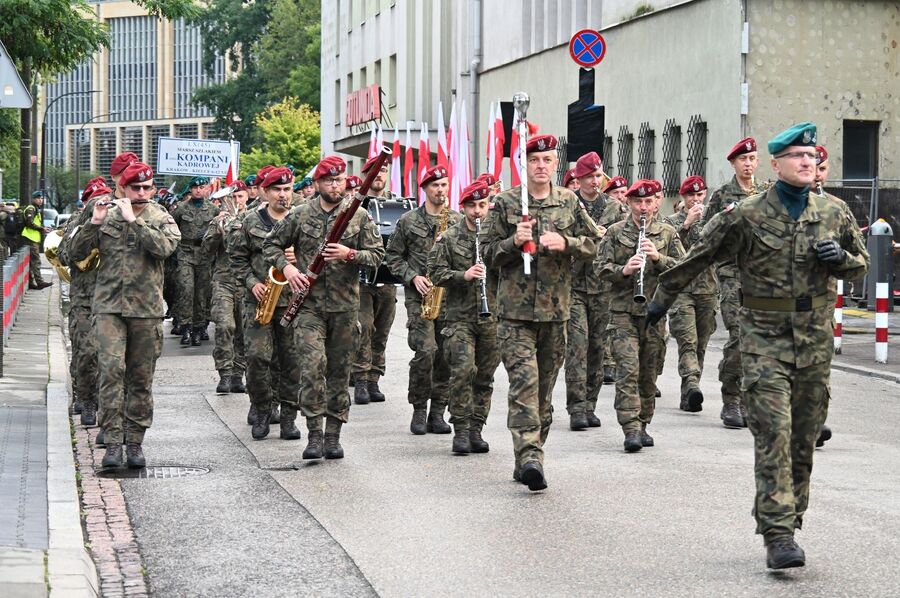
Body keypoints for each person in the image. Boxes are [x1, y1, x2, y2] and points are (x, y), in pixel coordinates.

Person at [646, 122, 868, 569]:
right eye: (797, 156)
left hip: (814, 338)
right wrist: (657, 304)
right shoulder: (745, 214)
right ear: (777, 163)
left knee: (804, 436)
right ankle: (778, 533)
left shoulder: (834, 212)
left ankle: (793, 516)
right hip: (764, 337)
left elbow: (859, 265)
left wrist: (842, 261)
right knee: (773, 432)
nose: (807, 162)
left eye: (812, 157)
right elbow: (699, 255)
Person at [484, 133, 600, 491]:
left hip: (556, 311)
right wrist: (511, 243)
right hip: (515, 314)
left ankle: (529, 454)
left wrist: (568, 244)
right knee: (524, 385)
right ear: (525, 163)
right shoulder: (505, 204)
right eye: (534, 160)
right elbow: (487, 253)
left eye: (547, 160)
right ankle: (531, 457)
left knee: (544, 393)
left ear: (555, 164)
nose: (540, 166)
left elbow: (595, 244)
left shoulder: (568, 202)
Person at [264, 156, 384, 460]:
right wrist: (288, 271)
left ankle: (333, 436)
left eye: (340, 180)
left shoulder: (358, 216)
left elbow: (378, 256)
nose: (335, 185)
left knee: (339, 371)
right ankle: (314, 434)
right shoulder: (300, 215)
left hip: (345, 308)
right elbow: (271, 245)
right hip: (309, 307)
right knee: (312, 367)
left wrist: (349, 253)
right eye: (329, 180)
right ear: (317, 184)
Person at [69, 162, 181, 469]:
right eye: (135, 188)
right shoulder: (105, 212)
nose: (141, 193)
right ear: (123, 188)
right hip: (107, 307)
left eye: (146, 188)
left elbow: (164, 249)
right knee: (110, 371)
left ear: (153, 189)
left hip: (146, 310)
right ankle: (113, 443)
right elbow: (72, 254)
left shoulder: (162, 217)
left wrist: (135, 222)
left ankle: (135, 442)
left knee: (140, 377)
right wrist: (93, 223)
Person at [598, 179, 683, 452]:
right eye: (637, 202)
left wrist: (658, 259)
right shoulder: (614, 232)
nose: (643, 207)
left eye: (648, 202)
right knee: (627, 370)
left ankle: (644, 422)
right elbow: (600, 268)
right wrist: (623, 270)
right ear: (628, 203)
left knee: (648, 373)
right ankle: (630, 427)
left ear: (657, 202)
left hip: (654, 312)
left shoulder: (667, 233)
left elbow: (683, 268)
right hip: (622, 312)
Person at [384, 165, 461, 435]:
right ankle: (419, 407)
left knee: (446, 355)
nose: (440, 190)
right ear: (425, 189)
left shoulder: (457, 220)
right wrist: (413, 276)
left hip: (450, 297)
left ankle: (438, 411)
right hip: (420, 297)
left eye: (444, 185)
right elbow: (392, 257)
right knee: (426, 351)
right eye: (435, 186)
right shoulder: (408, 221)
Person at [427, 181, 501, 454]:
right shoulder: (449, 238)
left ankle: (476, 428)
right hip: (458, 318)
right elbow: (435, 272)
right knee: (462, 372)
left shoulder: (496, 237)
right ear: (464, 207)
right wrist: (463, 276)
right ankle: (459, 429)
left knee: (484, 376)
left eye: (482, 206)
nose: (478, 211)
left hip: (491, 316)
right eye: (472, 206)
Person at [229, 167, 302, 440]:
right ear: (265, 192)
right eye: (277, 190)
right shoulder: (250, 221)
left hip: (293, 300)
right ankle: (261, 408)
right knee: (258, 358)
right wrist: (252, 283)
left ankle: (288, 417)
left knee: (291, 361)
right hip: (259, 299)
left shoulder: (302, 220)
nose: (282, 195)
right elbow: (236, 259)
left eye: (287, 189)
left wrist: (299, 262)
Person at [703, 137, 761, 429]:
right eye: (743, 160)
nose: (748, 165)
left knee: (758, 341)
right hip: (730, 274)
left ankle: (751, 400)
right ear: (733, 163)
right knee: (739, 336)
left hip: (762, 277)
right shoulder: (722, 195)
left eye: (752, 159)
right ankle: (731, 400)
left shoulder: (768, 193)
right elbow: (706, 233)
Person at [57, 180, 110, 428]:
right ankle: (86, 399)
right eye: (96, 198)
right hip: (84, 299)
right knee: (85, 351)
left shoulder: (117, 221)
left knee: (107, 357)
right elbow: (65, 255)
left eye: (105, 196)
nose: (102, 202)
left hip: (111, 298)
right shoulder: (78, 224)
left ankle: (102, 405)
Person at [663, 176, 717, 412]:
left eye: (699, 195)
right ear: (682, 197)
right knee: (687, 340)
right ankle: (693, 383)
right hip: (681, 291)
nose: (696, 200)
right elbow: (663, 247)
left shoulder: (713, 221)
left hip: (707, 289)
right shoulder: (670, 222)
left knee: (701, 343)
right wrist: (686, 223)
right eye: (690, 196)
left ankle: (689, 391)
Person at [565, 152, 609, 430]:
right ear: (579, 179)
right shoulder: (569, 206)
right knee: (578, 348)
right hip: (573, 287)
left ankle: (591, 403)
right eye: (590, 177)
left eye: (598, 176)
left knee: (598, 349)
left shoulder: (615, 207)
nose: (595, 181)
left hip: (603, 287)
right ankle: (577, 408)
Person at [352, 155, 399, 404]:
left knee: (382, 331)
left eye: (383, 170)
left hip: (387, 278)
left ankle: (373, 380)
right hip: (360, 279)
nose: (379, 175)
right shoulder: (355, 205)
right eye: (374, 171)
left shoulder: (396, 204)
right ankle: (360, 379)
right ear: (365, 175)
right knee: (364, 327)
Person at [202, 181, 249, 394]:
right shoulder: (218, 220)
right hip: (224, 281)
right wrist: (217, 231)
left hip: (247, 282)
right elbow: (206, 249)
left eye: (239, 196)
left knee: (244, 330)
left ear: (247, 196)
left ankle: (238, 374)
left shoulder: (254, 217)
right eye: (231, 197)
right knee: (224, 326)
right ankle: (225, 373)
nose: (235, 201)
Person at [172, 176, 218, 346]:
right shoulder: (181, 209)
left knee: (202, 293)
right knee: (186, 290)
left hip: (205, 254)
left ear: (207, 189)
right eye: (195, 187)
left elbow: (218, 230)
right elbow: (172, 229)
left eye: (202, 187)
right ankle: (185, 327)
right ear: (190, 190)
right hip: (185, 252)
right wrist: (176, 251)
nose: (198, 190)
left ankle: (199, 327)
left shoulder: (213, 209)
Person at [21, 191, 52, 290]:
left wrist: (42, 228)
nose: (40, 200)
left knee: (31, 262)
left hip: (33, 238)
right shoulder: (31, 208)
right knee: (36, 261)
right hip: (30, 238)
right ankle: (40, 282)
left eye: (42, 198)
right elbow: (29, 223)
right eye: (38, 198)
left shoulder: (35, 209)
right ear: (34, 199)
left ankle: (31, 282)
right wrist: (41, 229)